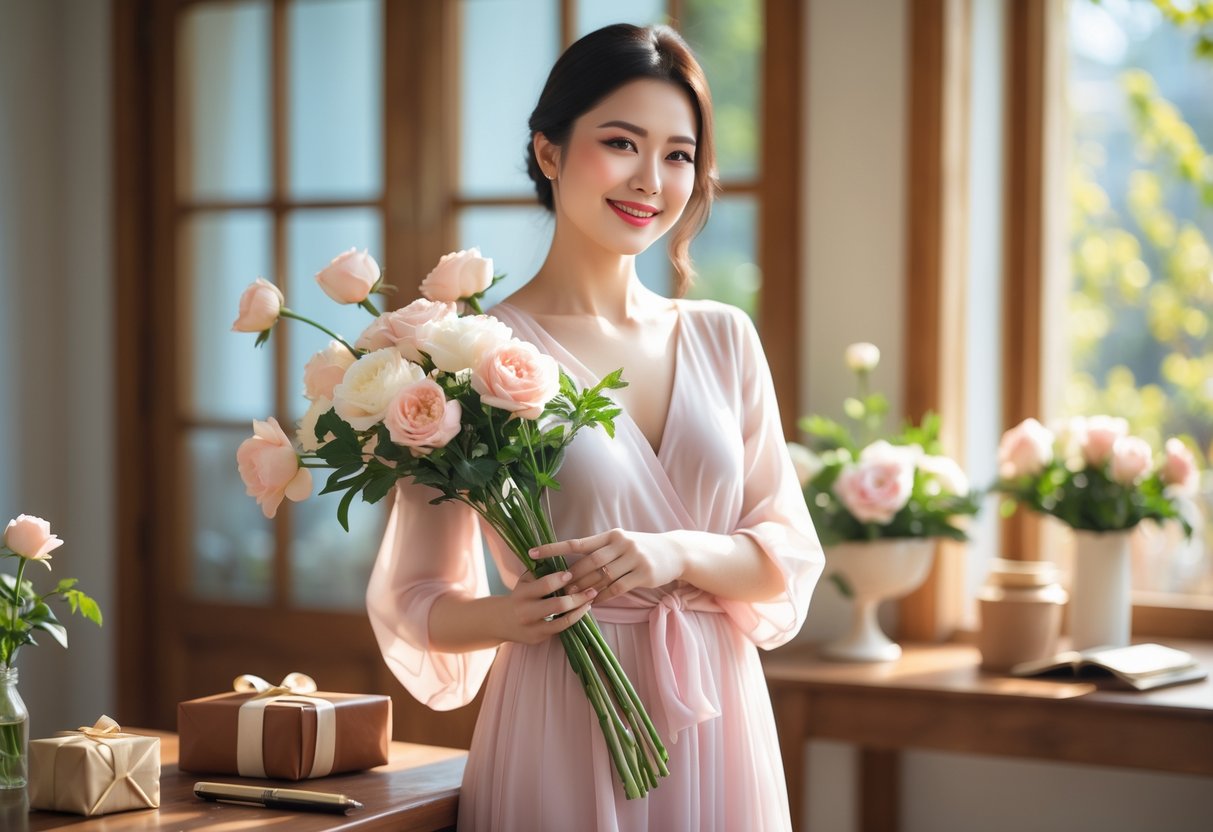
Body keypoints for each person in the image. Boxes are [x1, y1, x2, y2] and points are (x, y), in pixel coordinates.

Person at [366, 23, 824, 831]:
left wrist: (675, 552)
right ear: (547, 151)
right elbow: (414, 599)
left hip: (721, 718)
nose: (651, 179)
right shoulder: (466, 357)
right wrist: (509, 617)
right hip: (561, 712)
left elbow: (783, 558)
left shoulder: (723, 336)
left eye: (678, 155)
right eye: (621, 143)